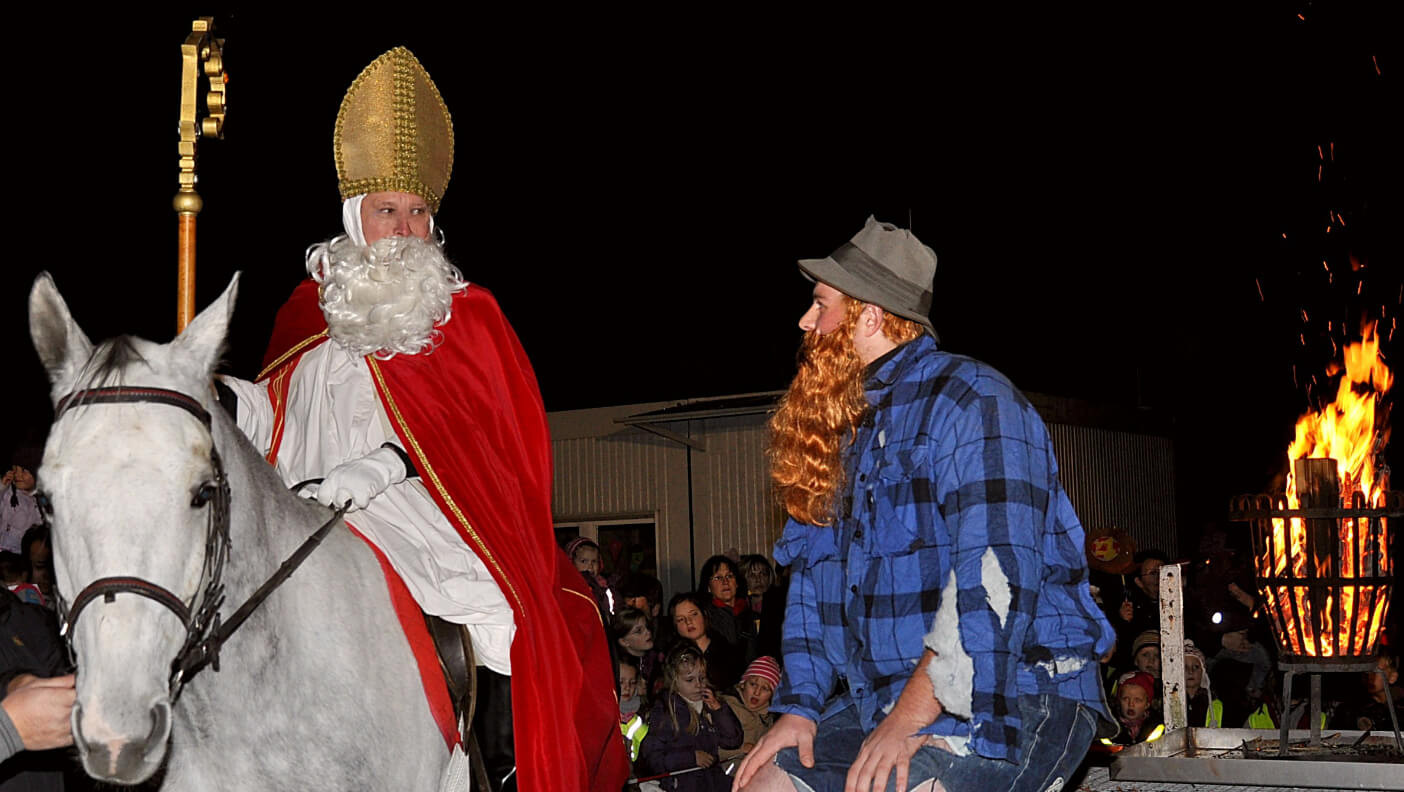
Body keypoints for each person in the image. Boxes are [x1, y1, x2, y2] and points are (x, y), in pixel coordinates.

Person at [217, 47, 625, 792]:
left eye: (417, 211)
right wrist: (215, 393)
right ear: (354, 218)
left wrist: (378, 468)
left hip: (421, 509)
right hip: (300, 503)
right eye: (387, 211)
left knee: (501, 614)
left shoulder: (464, 315)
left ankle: (498, 774)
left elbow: (485, 437)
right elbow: (272, 410)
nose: (404, 227)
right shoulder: (308, 312)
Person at [736, 217, 1114, 792]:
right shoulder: (838, 436)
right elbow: (811, 587)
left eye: (820, 304)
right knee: (766, 782)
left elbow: (993, 578)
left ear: (867, 313)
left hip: (1015, 689)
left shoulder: (971, 400)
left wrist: (913, 717)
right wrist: (801, 708)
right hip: (889, 702)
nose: (805, 321)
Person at [638, 644, 743, 792]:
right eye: (689, 680)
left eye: (702, 678)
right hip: (682, 785)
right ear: (674, 680)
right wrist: (690, 758)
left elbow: (733, 740)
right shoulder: (666, 711)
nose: (698, 685)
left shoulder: (710, 703)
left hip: (713, 783)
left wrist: (719, 711)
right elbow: (653, 758)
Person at [668, 593, 741, 692]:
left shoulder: (727, 653)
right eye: (681, 619)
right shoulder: (673, 657)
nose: (688, 622)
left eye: (694, 614)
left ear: (704, 615)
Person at [719, 656, 780, 762]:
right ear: (743, 684)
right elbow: (708, 750)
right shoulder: (725, 707)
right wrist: (740, 750)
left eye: (765, 688)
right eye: (753, 684)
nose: (757, 692)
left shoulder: (769, 720)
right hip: (724, 772)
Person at [698, 555, 756, 660]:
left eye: (729, 576)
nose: (725, 582)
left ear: (737, 583)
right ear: (708, 587)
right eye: (718, 578)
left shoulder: (747, 613)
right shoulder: (703, 617)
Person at [1108, 672, 1162, 746]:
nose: (1131, 704)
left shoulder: (1156, 726)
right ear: (1119, 701)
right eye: (1126, 699)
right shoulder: (1108, 725)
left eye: (1137, 700)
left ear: (1147, 704)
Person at [0, 468, 39, 557]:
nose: (18, 475)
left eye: (24, 471)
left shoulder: (40, 502)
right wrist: (2, 488)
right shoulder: (8, 493)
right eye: (15, 470)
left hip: (19, 557)